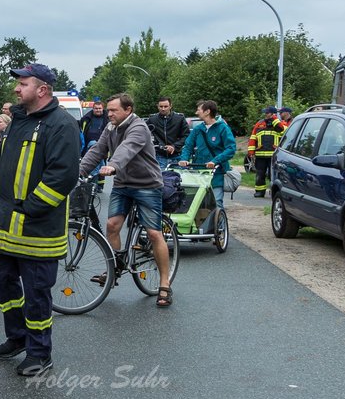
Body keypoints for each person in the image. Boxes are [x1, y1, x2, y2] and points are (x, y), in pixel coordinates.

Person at [0, 64, 80, 377]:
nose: (16, 89)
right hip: (6, 225)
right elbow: (2, 167)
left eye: (22, 84)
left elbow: (63, 176)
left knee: (37, 292)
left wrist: (30, 208)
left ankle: (40, 352)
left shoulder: (62, 125)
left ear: (42, 90)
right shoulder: (17, 123)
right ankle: (18, 336)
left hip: (38, 229)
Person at [78, 93, 173, 307]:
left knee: (153, 232)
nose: (109, 114)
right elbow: (97, 151)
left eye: (113, 110)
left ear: (128, 110)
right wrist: (78, 172)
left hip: (146, 185)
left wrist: (113, 165)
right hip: (122, 184)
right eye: (108, 110)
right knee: (112, 225)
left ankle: (165, 284)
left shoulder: (138, 127)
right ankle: (115, 267)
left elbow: (126, 149)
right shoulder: (110, 128)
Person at [181, 100, 237, 210]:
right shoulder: (198, 129)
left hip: (217, 173)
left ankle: (219, 225)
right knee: (198, 205)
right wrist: (184, 159)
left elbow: (231, 148)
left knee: (217, 203)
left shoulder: (222, 128)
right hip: (199, 172)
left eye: (199, 110)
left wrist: (215, 161)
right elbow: (188, 146)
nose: (197, 113)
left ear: (207, 112)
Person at [246, 106, 285, 198]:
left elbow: (281, 130)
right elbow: (253, 137)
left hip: (273, 155)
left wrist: (274, 120)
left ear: (273, 114)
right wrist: (251, 151)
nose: (265, 115)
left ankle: (273, 191)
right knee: (260, 173)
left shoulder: (280, 123)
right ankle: (259, 191)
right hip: (260, 154)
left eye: (267, 113)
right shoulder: (259, 124)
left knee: (273, 175)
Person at [147, 96, 190, 168]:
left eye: (165, 106)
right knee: (160, 178)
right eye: (161, 106)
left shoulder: (179, 118)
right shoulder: (152, 119)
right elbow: (142, 133)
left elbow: (186, 136)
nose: (163, 109)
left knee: (180, 178)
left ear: (170, 106)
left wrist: (174, 146)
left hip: (177, 156)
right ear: (157, 106)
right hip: (159, 156)